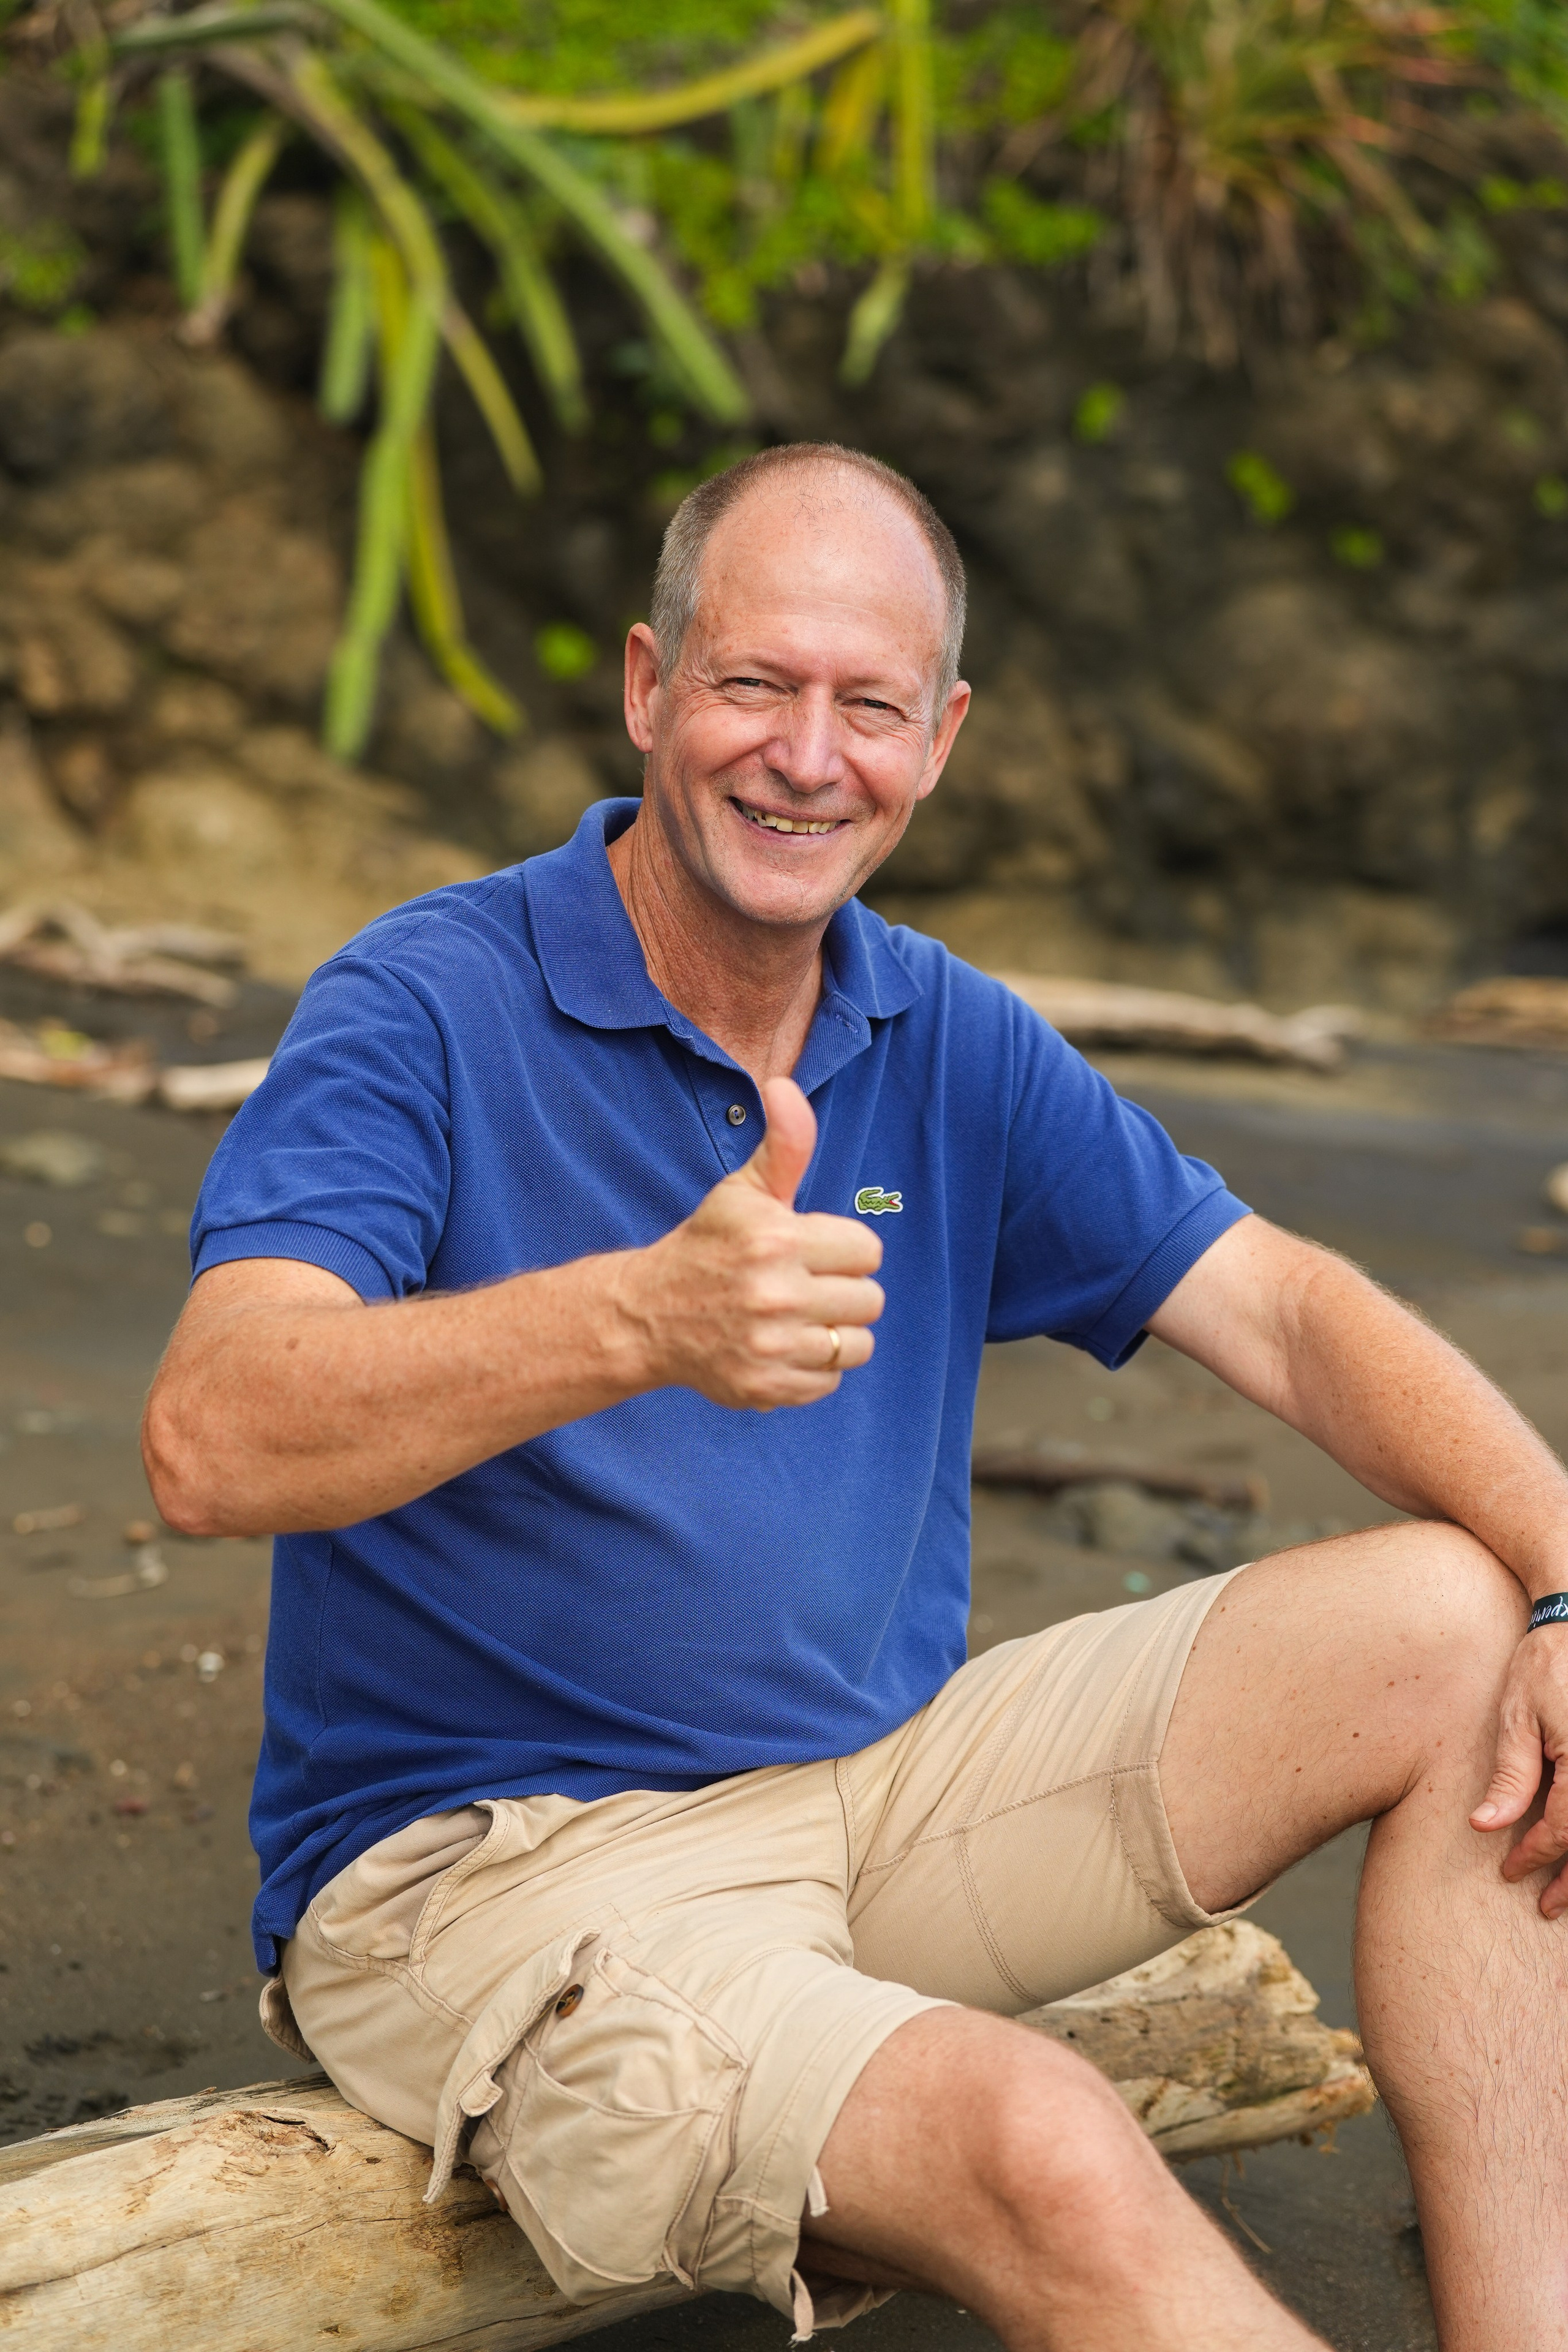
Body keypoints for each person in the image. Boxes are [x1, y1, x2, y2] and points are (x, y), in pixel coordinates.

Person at [144, 442, 1568, 2352]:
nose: (809, 756)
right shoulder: (420, 1005)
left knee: (1475, 1632)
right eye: (755, 685)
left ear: (942, 736)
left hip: (872, 1798)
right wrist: (641, 1320)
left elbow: (1293, 1313)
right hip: (492, 1874)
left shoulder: (939, 1025)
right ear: (650, 686)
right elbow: (208, 1435)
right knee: (1042, 2138)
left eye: (868, 706)